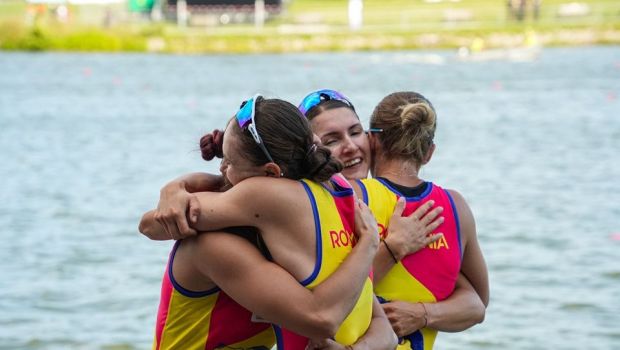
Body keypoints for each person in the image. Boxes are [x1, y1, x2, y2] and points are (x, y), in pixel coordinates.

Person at [140, 95, 401, 349]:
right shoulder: (336, 194)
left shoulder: (274, 214)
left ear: (269, 173)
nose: (221, 169)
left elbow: (372, 328)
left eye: (228, 161)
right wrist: (175, 188)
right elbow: (153, 223)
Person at [351, 91, 489, 349]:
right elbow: (478, 304)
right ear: (429, 153)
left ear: (373, 141)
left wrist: (421, 314)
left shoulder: (354, 197)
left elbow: (327, 292)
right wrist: (425, 314)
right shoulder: (455, 207)